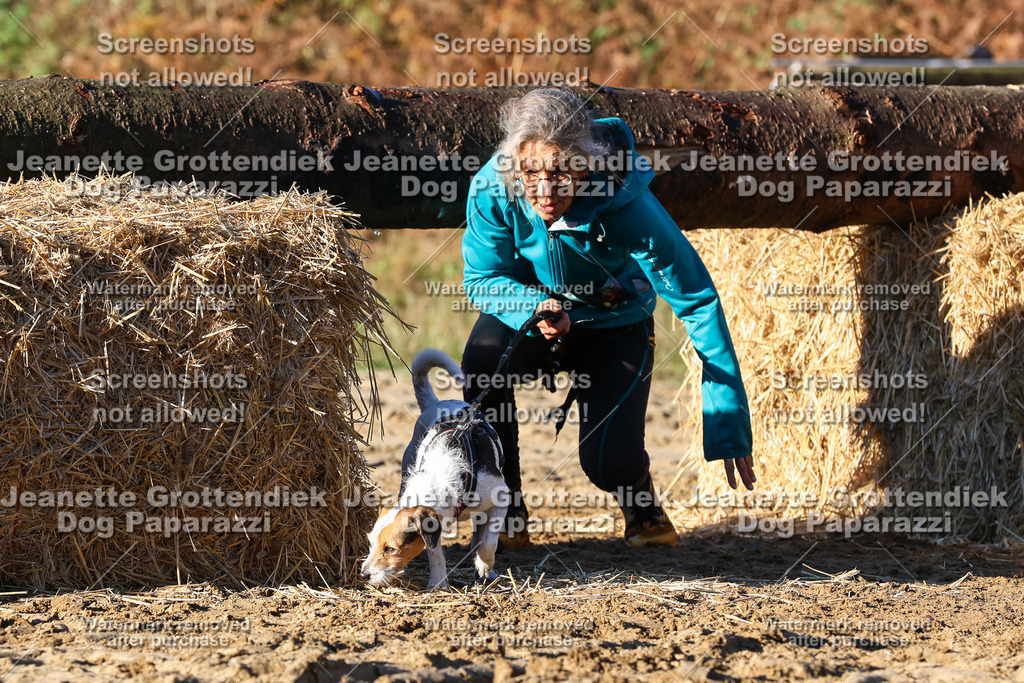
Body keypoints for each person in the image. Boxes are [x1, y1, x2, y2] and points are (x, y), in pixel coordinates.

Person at [461, 88, 754, 549]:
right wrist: (534, 307)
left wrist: (727, 419)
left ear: (586, 163)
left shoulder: (626, 201)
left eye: (560, 172)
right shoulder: (493, 187)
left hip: (613, 322)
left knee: (606, 465)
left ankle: (640, 502)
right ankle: (505, 507)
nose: (544, 189)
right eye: (531, 171)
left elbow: (696, 298)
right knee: (480, 362)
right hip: (534, 311)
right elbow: (483, 277)